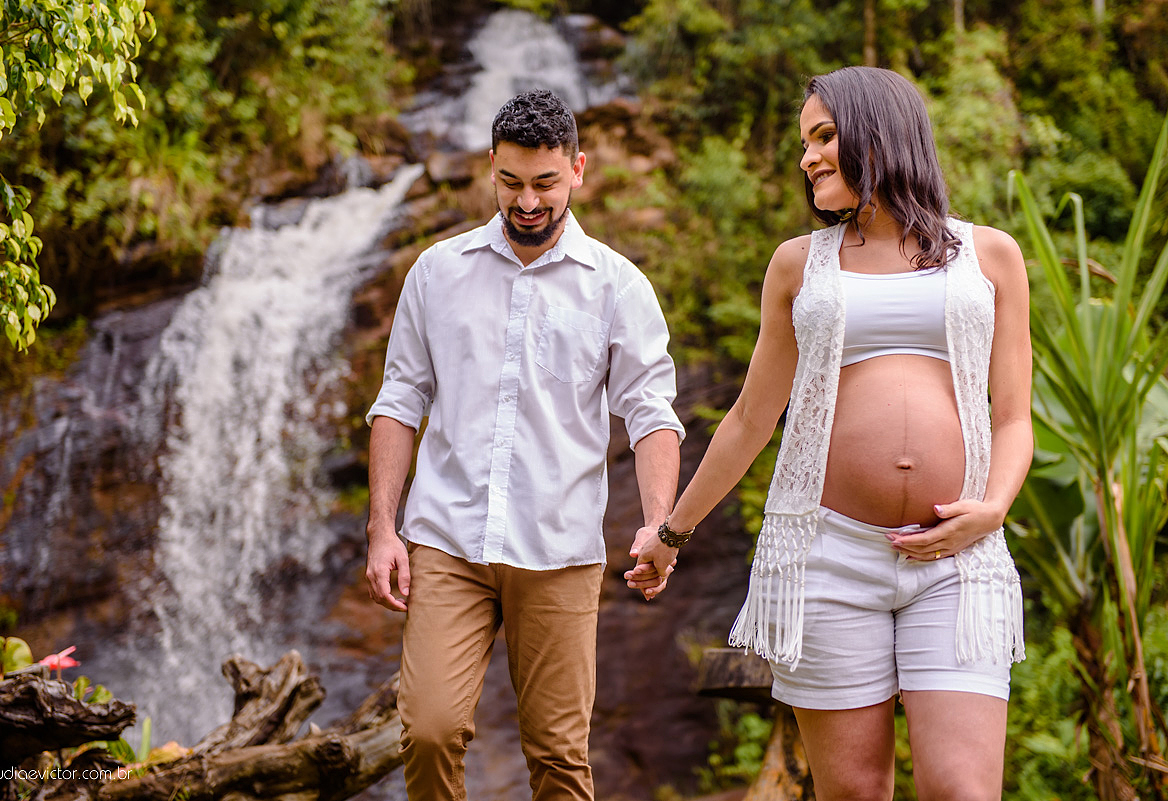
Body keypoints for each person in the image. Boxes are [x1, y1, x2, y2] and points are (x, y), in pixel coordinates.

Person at [626, 66, 1032, 800]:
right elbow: (753, 415)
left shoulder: (990, 256)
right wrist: (671, 532)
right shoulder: (798, 265)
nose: (807, 156)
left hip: (957, 562)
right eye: (803, 142)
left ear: (878, 133)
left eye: (823, 136)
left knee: (965, 790)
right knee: (853, 794)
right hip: (828, 558)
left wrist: (995, 506)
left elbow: (1013, 415)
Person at [363, 88, 685, 801]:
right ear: (490, 168)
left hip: (560, 548)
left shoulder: (618, 286)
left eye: (544, 183)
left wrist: (659, 521)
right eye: (511, 182)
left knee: (559, 758)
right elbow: (399, 400)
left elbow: (651, 412)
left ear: (577, 169)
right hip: (447, 540)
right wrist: (382, 526)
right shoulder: (436, 272)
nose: (527, 201)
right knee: (428, 728)